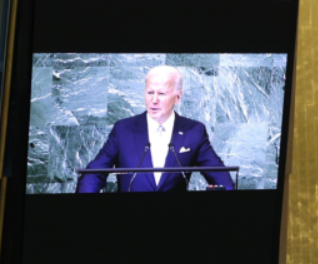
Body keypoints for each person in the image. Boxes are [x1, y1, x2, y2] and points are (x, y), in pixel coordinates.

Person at [78, 66, 234, 193]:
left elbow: (221, 177)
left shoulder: (194, 131)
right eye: (150, 92)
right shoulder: (123, 129)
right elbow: (94, 174)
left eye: (161, 93)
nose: (154, 100)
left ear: (178, 97)